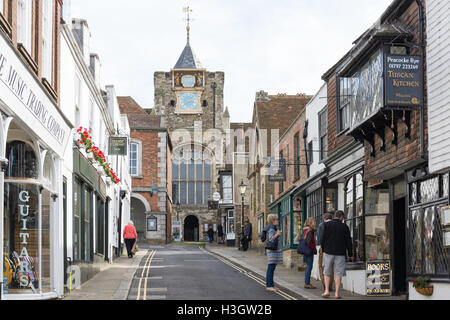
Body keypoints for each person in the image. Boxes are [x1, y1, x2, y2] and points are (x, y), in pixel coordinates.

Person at [320, 210, 353, 299]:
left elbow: (322, 238)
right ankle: (337, 293)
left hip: (328, 252)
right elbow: (348, 241)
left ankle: (326, 290)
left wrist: (323, 249)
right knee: (338, 273)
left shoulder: (326, 225)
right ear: (341, 217)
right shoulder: (344, 226)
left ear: (334, 216)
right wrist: (350, 253)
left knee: (327, 271)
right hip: (340, 253)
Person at [265, 214, 282, 292]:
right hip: (272, 251)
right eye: (276, 219)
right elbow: (271, 239)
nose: (278, 221)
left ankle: (271, 285)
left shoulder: (274, 228)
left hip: (274, 251)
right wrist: (277, 234)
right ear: (273, 221)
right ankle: (269, 285)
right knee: (271, 268)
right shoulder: (271, 229)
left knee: (272, 268)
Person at [317, 213, 334, 290]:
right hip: (334, 249)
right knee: (331, 267)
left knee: (322, 266)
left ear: (324, 218)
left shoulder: (321, 225)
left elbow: (319, 239)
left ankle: (325, 285)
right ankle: (330, 285)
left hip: (323, 249)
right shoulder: (335, 224)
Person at [303, 218, 317, 289]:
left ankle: (306, 282)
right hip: (309, 251)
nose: (315, 222)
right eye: (314, 221)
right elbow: (308, 242)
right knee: (309, 266)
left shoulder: (305, 230)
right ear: (310, 223)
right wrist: (314, 248)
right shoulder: (310, 230)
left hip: (305, 251)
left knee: (308, 266)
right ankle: (307, 283)